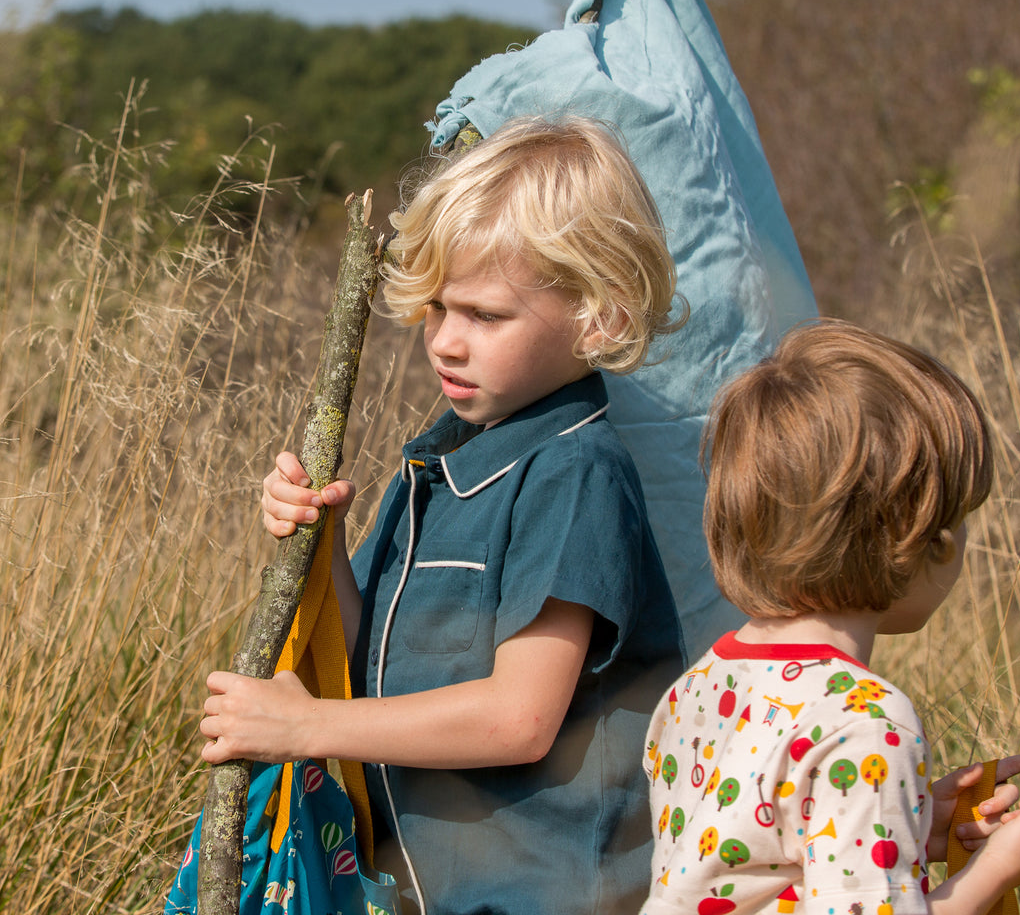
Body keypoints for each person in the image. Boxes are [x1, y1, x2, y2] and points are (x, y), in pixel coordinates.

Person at [200, 116, 688, 915]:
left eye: (486, 316)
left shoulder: (574, 475)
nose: (446, 344)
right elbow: (373, 655)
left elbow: (519, 720)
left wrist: (306, 728)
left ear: (600, 315)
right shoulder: (439, 463)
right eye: (436, 308)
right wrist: (315, 544)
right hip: (423, 891)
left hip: (540, 897)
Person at [640, 320, 1020, 915]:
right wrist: (996, 873)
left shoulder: (698, 687)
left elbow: (747, 870)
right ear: (927, 539)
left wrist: (912, 820)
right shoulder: (867, 724)